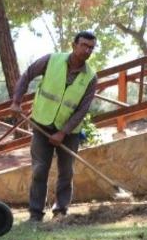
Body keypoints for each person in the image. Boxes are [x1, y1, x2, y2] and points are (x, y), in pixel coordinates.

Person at [9, 31, 98, 222]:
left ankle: (61, 211)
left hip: (70, 132)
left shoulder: (91, 78)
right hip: (42, 124)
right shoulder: (51, 60)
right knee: (40, 169)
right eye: (83, 45)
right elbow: (27, 75)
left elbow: (82, 110)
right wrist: (17, 101)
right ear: (74, 45)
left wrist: (62, 132)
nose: (87, 50)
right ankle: (35, 214)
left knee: (67, 172)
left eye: (91, 47)